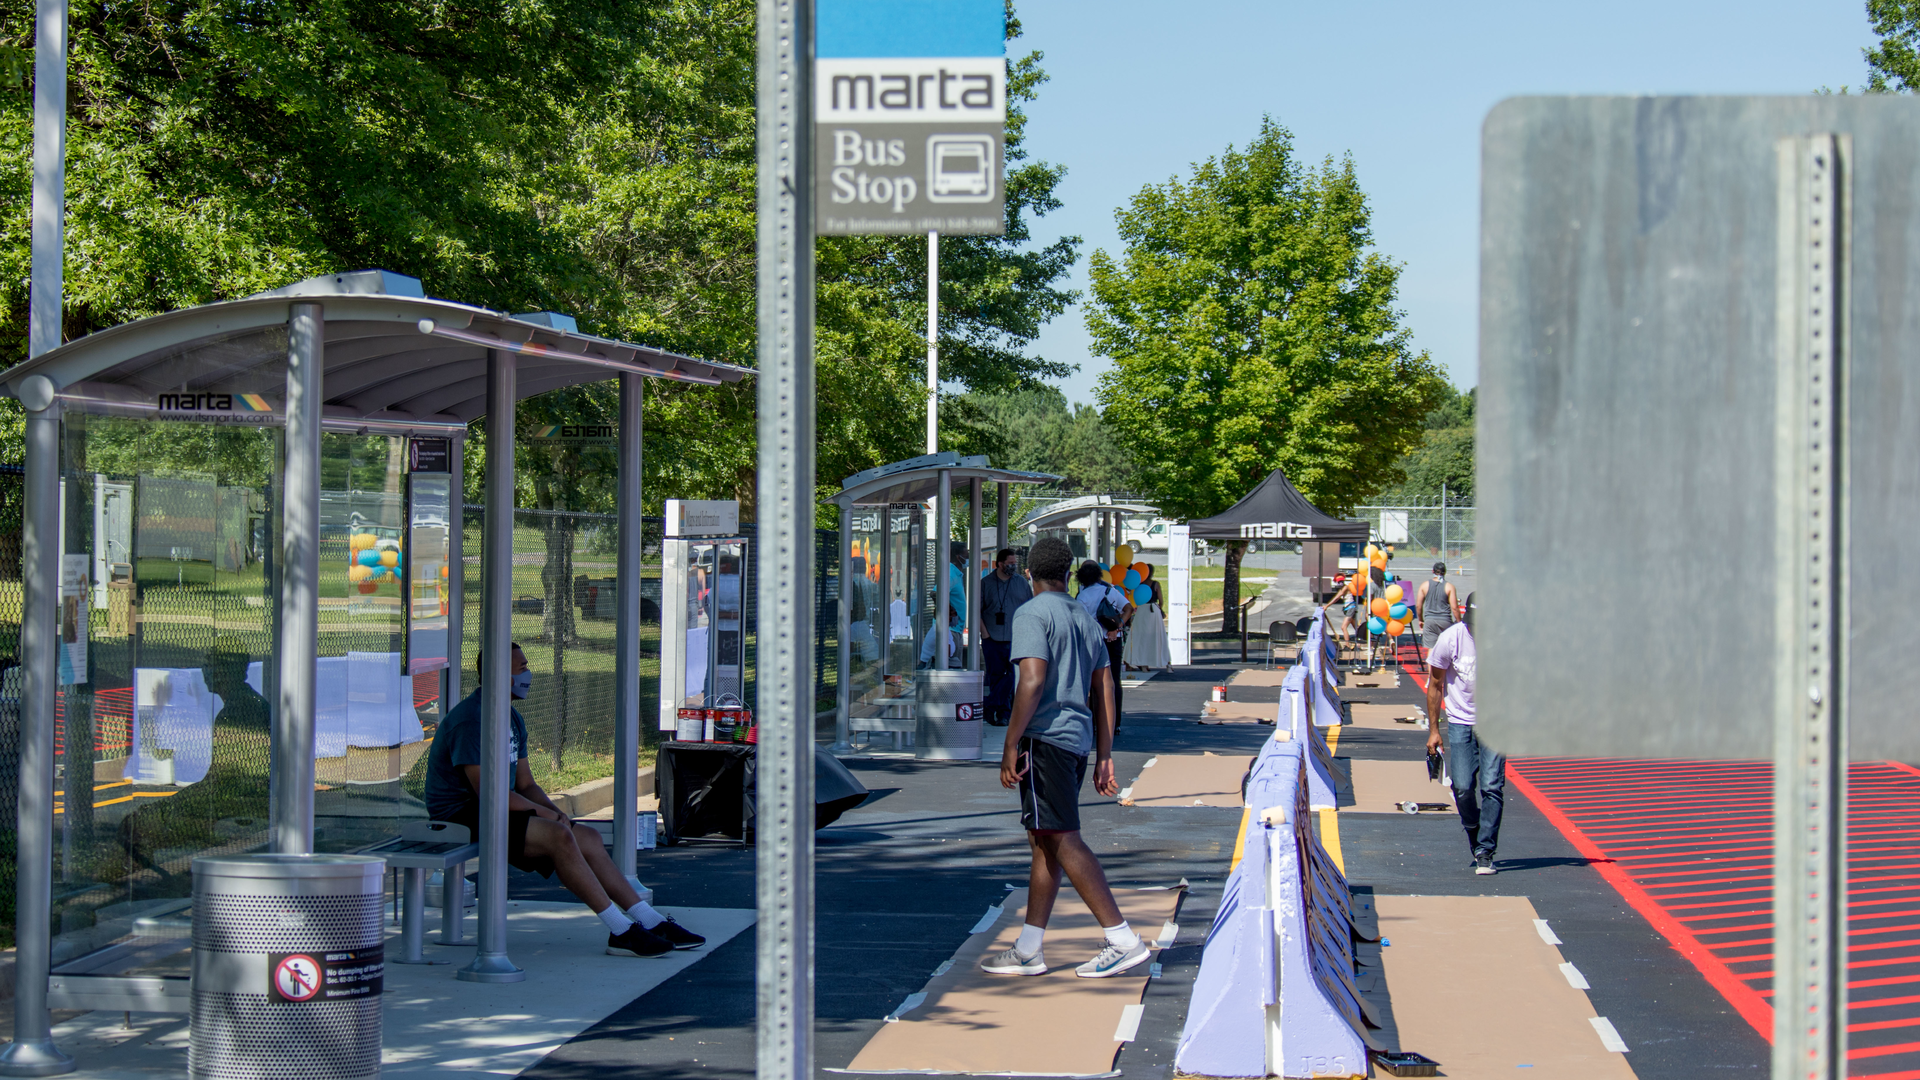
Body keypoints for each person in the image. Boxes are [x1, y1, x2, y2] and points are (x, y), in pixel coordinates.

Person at [424, 643, 706, 956]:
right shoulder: (471, 721)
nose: (528, 674)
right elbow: (489, 795)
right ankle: (621, 930)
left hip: (494, 808)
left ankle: (649, 920)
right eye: (521, 668)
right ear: (498, 674)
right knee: (559, 836)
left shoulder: (511, 718)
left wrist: (555, 813)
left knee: (586, 836)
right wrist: (550, 819)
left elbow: (526, 783)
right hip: (461, 816)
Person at [980, 536, 1148, 979]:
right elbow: (1106, 686)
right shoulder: (1082, 614)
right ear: (1069, 574)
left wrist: (1010, 742)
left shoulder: (1032, 613)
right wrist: (1105, 754)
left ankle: (1122, 937)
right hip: (1076, 740)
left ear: (1029, 574)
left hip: (1045, 737)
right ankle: (1029, 948)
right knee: (1045, 839)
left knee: (1061, 837)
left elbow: (1031, 680)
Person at [1424, 594, 1500, 874]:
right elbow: (1435, 684)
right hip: (1460, 721)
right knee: (1463, 786)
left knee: (1492, 785)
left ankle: (1485, 850)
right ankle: (1474, 831)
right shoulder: (1451, 637)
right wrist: (1434, 730)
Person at [1074, 561, 1132, 725]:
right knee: (1113, 681)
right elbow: (1128, 608)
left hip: (1093, 642)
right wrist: (1118, 626)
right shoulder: (1110, 591)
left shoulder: (1082, 597)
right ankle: (1115, 722)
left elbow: (1081, 622)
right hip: (1114, 639)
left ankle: (1094, 721)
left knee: (1092, 681)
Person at [979, 548, 1032, 725]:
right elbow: (977, 610)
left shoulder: (1021, 583)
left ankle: (992, 706)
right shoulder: (985, 583)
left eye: (1014, 563)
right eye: (1009, 564)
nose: (1013, 566)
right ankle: (998, 713)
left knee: (1011, 675)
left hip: (1016, 637)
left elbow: (1030, 608)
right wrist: (984, 633)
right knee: (995, 676)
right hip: (992, 637)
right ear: (999, 564)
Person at [918, 541, 968, 668]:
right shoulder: (951, 573)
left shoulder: (956, 573)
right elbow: (935, 592)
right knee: (952, 668)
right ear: (958, 556)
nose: (968, 556)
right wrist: (946, 611)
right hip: (951, 629)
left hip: (954, 629)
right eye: (966, 553)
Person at [1123, 578, 1170, 670]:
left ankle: (1138, 662)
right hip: (1153, 611)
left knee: (1138, 637)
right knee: (1155, 637)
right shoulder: (1156, 584)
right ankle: (1164, 662)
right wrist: (1159, 608)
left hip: (1141, 610)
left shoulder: (1138, 584)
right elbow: (1161, 601)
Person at [1415, 562, 1458, 654]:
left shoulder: (1424, 585)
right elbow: (1454, 607)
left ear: (1433, 571)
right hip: (1445, 620)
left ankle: (1430, 668)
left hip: (1429, 620)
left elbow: (1418, 605)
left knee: (1431, 648)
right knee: (1446, 647)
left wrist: (1420, 619)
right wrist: (1459, 621)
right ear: (1445, 572)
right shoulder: (1449, 587)